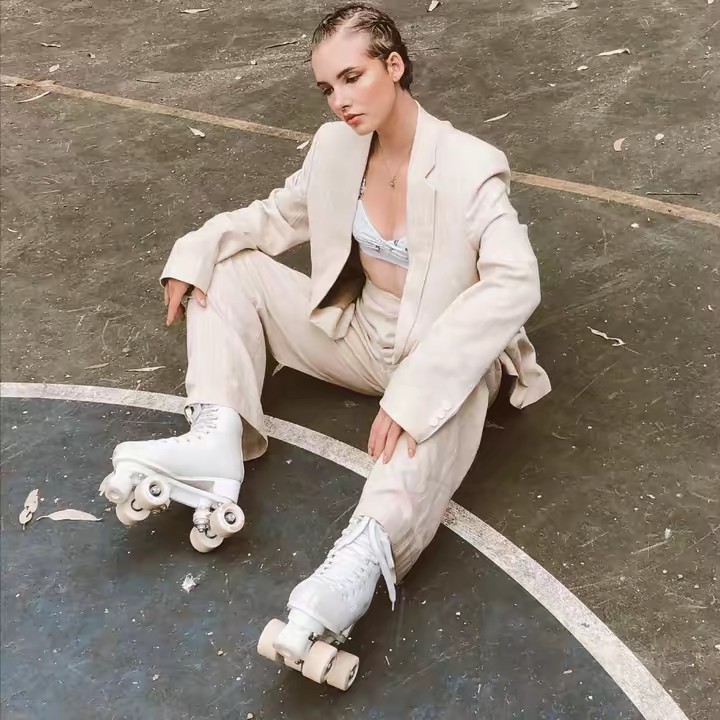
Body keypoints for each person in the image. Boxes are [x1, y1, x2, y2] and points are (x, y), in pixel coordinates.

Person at [104, 3, 551, 675]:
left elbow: (515, 282)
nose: (340, 100)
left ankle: (357, 563)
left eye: (352, 77)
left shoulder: (469, 165)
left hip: (441, 353)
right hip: (360, 333)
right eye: (327, 88)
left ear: (393, 66)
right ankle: (216, 441)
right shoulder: (336, 146)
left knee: (441, 406)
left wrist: (415, 392)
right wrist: (196, 249)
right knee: (226, 269)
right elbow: (276, 217)